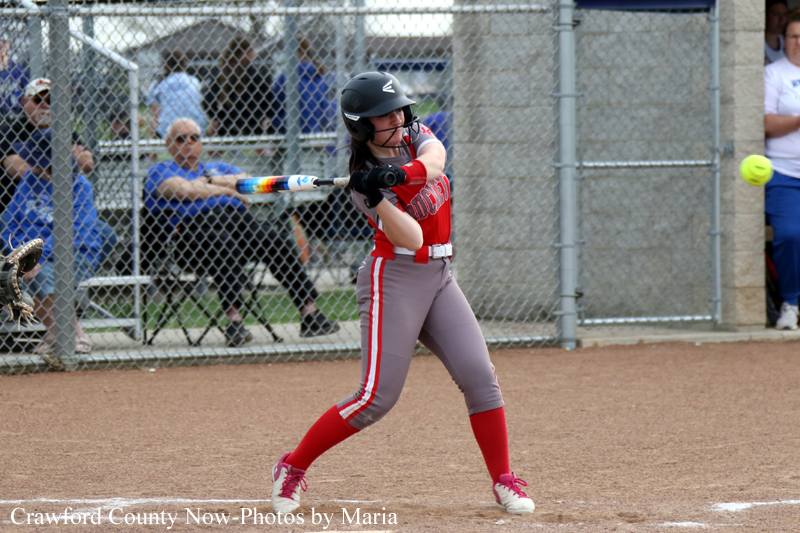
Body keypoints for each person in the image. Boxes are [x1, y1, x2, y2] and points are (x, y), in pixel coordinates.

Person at [269, 72, 535, 516]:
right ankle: (292, 466)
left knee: (479, 377)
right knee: (376, 398)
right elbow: (410, 237)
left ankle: (504, 479)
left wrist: (402, 171)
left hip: (440, 276)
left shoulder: (415, 135)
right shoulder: (365, 183)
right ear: (361, 126)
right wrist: (377, 193)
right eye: (383, 115)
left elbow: (436, 160)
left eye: (398, 109)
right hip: (394, 278)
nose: (397, 118)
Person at [145, 118, 340, 346]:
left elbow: (247, 181)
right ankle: (234, 321)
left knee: (275, 239)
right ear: (168, 144)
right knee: (222, 243)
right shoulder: (160, 170)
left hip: (239, 226)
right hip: (192, 236)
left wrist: (210, 181)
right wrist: (230, 192)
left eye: (194, 137)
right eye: (181, 138)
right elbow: (183, 189)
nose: (189, 142)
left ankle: (310, 313)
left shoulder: (216, 168)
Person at [3, 130, 101, 354]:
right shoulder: (29, 180)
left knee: (43, 273)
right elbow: (10, 224)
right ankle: (65, 334)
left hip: (77, 253)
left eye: (34, 157)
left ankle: (65, 334)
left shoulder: (78, 186)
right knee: (19, 272)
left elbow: (73, 233)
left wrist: (37, 256)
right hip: (30, 255)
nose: (27, 161)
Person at [0, 78, 117, 266]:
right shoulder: (10, 131)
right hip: (21, 210)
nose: (45, 106)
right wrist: (67, 159)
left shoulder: (64, 131)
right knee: (4, 229)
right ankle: (23, 275)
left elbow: (88, 162)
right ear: (24, 102)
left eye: (51, 101)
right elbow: (18, 169)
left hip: (63, 209)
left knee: (107, 236)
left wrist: (43, 164)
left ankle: (67, 280)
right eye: (39, 101)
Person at [764, 8, 800, 330]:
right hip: (784, 173)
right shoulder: (773, 74)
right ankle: (791, 303)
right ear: (784, 39)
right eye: (793, 37)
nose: (798, 43)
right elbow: (768, 124)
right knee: (789, 235)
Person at [203, 36, 275, 137]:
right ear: (244, 53)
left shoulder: (223, 72)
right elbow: (269, 100)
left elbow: (208, 101)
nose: (255, 54)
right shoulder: (255, 74)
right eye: (252, 50)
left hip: (226, 124)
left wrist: (218, 116)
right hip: (253, 124)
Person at [271, 37, 336, 134]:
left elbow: (275, 102)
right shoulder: (319, 75)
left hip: (289, 130)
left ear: (299, 53)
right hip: (316, 130)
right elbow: (325, 106)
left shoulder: (287, 76)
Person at [146, 49, 206, 139]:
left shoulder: (158, 83)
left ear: (165, 66)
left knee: (153, 119)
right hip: (196, 126)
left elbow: (155, 111)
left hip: (167, 128)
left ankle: (152, 150)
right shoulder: (193, 81)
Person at [0, 34, 28, 123]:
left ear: (8, 46)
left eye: (3, 43)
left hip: (17, 116)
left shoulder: (18, 71)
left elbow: (27, 93)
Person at [766, 0, 789, 65]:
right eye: (776, 14)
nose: (781, 19)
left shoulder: (787, 43)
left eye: (784, 14)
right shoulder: (758, 44)